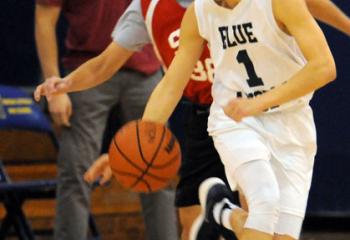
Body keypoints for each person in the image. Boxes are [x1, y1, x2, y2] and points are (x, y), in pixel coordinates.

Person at [34, 0, 348, 239]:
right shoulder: (187, 13)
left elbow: (323, 61)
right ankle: (225, 213)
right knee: (260, 204)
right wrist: (134, 141)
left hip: (288, 120)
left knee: (272, 229)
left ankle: (222, 212)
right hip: (230, 119)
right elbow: (168, 83)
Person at [34, 1, 178, 240]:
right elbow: (44, 18)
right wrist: (54, 83)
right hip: (88, 70)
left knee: (157, 168)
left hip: (145, 71)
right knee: (77, 170)